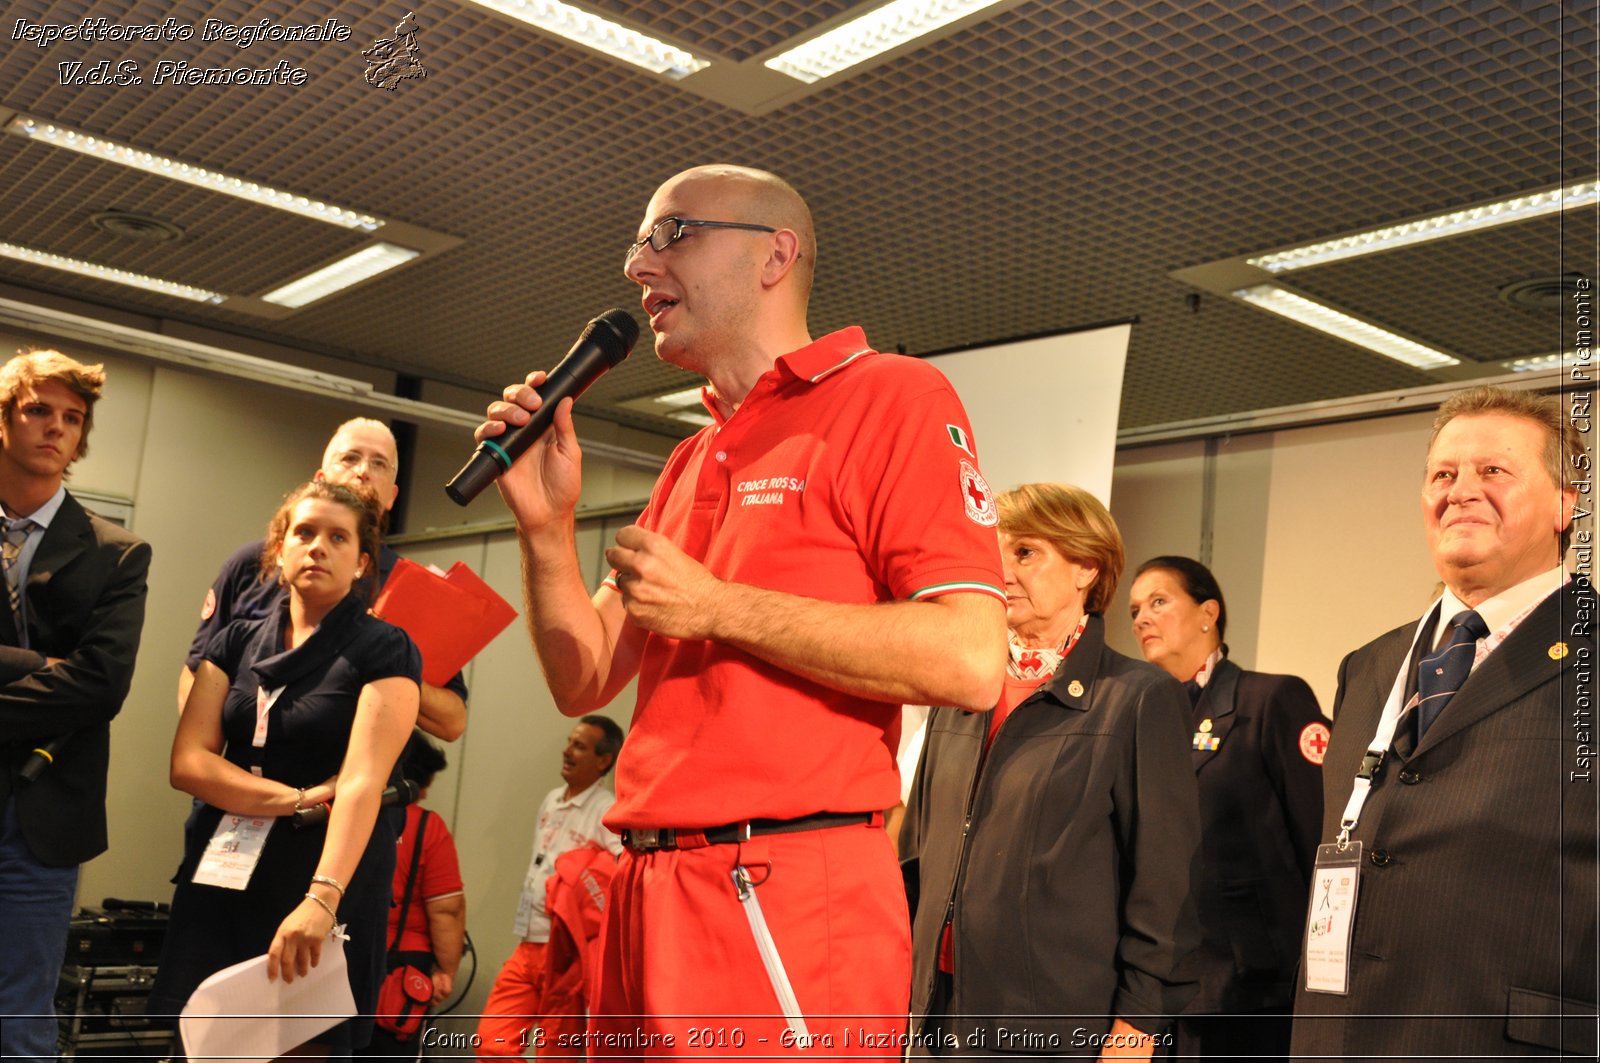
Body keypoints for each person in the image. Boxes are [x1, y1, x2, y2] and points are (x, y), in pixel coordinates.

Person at [476, 164, 1007, 1050]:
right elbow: (584, 677)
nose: (636, 266)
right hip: (645, 888)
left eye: (670, 233)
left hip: (782, 888)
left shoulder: (893, 395)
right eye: (640, 240)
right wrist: (546, 528)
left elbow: (970, 658)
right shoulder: (692, 456)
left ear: (775, 256)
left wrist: (722, 606)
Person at [1290, 385, 1597, 1059]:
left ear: (1565, 502)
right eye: (1443, 474)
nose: (1460, 491)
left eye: (1493, 471)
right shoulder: (1367, 665)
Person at [901, 483, 1202, 1060]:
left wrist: (1137, 1026)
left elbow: (1165, 883)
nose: (1003, 572)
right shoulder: (960, 691)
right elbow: (915, 856)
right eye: (996, 554)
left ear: (1086, 567)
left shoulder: (1138, 698)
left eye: (1026, 553)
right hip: (937, 1016)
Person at [148, 480, 421, 1055]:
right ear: (279, 551)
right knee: (201, 1046)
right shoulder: (235, 639)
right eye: (304, 533)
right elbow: (190, 762)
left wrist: (321, 901)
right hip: (226, 866)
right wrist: (296, 798)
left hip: (324, 874)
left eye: (337, 537)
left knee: (301, 1048)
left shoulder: (385, 648)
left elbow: (363, 783)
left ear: (362, 561)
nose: (317, 547)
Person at [0, 350, 151, 1061]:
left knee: (19, 1016)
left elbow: (102, 685)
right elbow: (72, 681)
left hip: (44, 813)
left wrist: (71, 677)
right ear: (4, 418)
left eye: (73, 417)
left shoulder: (118, 552)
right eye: (39, 410)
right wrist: (41, 667)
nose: (56, 428)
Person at [1127, 556, 1323, 1061]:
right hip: (1161, 991)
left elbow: (1320, 840)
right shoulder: (1140, 720)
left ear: (1207, 612)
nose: (1141, 618)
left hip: (1253, 989)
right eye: (1134, 610)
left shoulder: (1271, 700)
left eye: (1158, 601)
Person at [178, 418, 468, 741]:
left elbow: (451, 721)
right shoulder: (250, 564)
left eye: (379, 463)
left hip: (342, 785)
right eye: (350, 458)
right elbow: (195, 676)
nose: (363, 471)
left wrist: (389, 662)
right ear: (320, 479)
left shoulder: (411, 588)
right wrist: (223, 769)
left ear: (392, 496)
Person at [476, 716, 623, 1060]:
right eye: (570, 742)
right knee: (492, 1043)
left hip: (566, 952)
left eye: (579, 746)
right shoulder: (552, 799)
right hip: (528, 941)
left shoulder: (609, 810)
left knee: (555, 1055)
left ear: (604, 760)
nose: (566, 751)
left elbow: (621, 874)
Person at [361, 735, 466, 1058]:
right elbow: (446, 909)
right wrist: (445, 971)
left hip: (344, 958)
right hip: (403, 970)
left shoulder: (354, 817)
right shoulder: (427, 828)